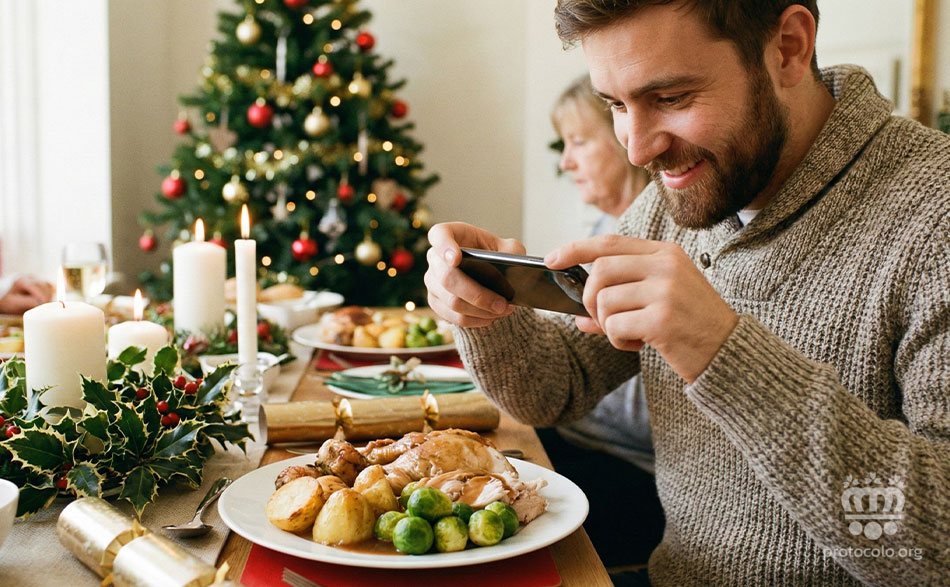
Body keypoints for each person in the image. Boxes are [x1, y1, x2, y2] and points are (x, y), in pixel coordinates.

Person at [424, 1, 950, 584]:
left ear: (790, 47)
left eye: (671, 98)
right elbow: (556, 386)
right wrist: (487, 307)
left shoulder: (935, 215)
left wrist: (722, 352)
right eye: (616, 105)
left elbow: (937, 548)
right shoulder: (679, 194)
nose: (637, 148)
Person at [539, 74, 663, 570]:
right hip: (582, 441)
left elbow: (652, 410)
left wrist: (564, 383)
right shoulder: (599, 231)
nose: (565, 161)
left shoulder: (659, 247)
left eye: (578, 142)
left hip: (633, 471)